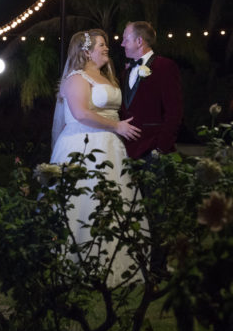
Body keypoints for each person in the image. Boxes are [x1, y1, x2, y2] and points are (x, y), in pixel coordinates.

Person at [50, 28, 143, 282]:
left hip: (112, 146)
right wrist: (117, 126)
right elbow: (80, 114)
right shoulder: (76, 78)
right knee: (85, 200)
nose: (106, 49)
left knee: (114, 200)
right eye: (101, 45)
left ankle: (115, 262)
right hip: (84, 145)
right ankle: (78, 263)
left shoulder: (108, 77)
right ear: (86, 51)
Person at [119, 21, 183, 159]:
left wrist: (161, 147)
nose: (122, 44)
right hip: (127, 150)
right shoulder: (126, 71)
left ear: (139, 41)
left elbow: (174, 111)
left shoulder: (165, 66)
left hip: (153, 149)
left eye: (126, 39)